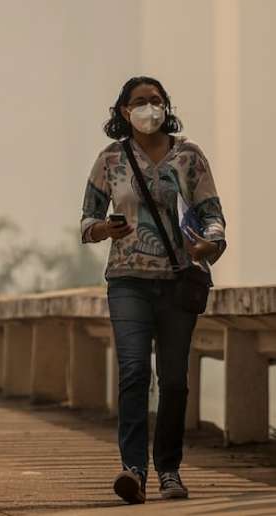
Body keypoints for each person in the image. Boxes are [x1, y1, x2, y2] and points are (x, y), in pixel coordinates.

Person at [80, 77, 226, 504]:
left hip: (178, 282)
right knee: (133, 373)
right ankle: (134, 469)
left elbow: (213, 214)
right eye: (139, 102)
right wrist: (105, 227)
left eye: (156, 100)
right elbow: (87, 221)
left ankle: (169, 470)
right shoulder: (109, 160)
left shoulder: (189, 156)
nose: (149, 108)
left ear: (167, 106)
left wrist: (209, 242)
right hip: (127, 280)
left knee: (176, 380)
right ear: (123, 112)